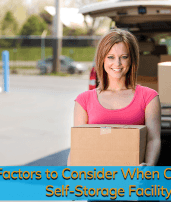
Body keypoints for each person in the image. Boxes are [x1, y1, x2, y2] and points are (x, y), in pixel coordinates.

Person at [67, 29, 161, 166]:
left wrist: (149, 167)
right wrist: (71, 178)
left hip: (134, 180)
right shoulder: (84, 100)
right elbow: (78, 146)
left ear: (132, 59)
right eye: (110, 57)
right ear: (102, 59)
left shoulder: (149, 97)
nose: (117, 63)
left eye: (124, 57)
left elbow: (153, 139)